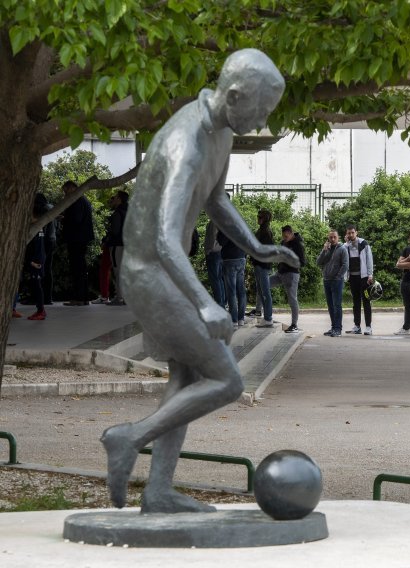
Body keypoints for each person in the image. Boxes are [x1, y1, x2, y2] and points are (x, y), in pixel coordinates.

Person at [100, 49, 300, 513]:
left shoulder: (223, 132)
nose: (264, 119)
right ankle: (126, 438)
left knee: (188, 375)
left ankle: (158, 490)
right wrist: (206, 302)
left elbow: (215, 199)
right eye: (262, 110)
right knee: (227, 380)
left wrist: (256, 247)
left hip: (163, 269)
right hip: (151, 272)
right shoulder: (186, 142)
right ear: (233, 96)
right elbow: (165, 238)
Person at [60, 180, 94, 306]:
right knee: (81, 269)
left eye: (65, 191)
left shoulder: (77, 201)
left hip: (77, 239)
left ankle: (79, 298)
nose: (65, 194)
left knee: (77, 269)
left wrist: (64, 219)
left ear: (71, 188)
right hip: (81, 238)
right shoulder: (83, 200)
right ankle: (83, 298)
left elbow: (75, 220)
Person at [271, 225, 306, 333]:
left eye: (287, 236)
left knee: (292, 299)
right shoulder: (283, 243)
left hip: (292, 274)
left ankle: (294, 324)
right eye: (283, 236)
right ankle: (266, 315)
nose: (285, 238)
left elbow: (302, 262)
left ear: (291, 234)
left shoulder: (297, 245)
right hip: (280, 273)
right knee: (264, 285)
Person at [317, 229, 349, 337]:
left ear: (338, 237)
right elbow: (319, 262)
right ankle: (333, 327)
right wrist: (324, 250)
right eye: (331, 237)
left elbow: (345, 265)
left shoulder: (342, 249)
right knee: (330, 306)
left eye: (335, 237)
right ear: (328, 238)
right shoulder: (327, 249)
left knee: (337, 305)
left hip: (337, 281)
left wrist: (338, 277)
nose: (333, 239)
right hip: (326, 280)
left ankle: (338, 329)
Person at [343, 225, 374, 335]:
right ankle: (357, 326)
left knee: (366, 301)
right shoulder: (346, 245)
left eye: (352, 232)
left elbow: (369, 259)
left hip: (364, 278)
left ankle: (368, 327)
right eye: (348, 233)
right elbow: (343, 257)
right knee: (355, 302)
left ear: (356, 232)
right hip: (353, 278)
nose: (350, 235)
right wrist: (346, 244)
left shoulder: (363, 243)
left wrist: (370, 275)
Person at [217, 225, 248, 328]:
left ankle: (234, 320)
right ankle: (241, 319)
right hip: (241, 259)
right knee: (241, 290)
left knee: (231, 291)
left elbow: (221, 241)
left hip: (230, 260)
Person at [24, 195, 48, 320]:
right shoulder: (37, 229)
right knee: (35, 284)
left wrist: (33, 262)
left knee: (36, 285)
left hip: (36, 262)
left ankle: (41, 310)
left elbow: (38, 249)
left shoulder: (37, 230)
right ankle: (40, 310)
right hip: (36, 261)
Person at [252, 209, 274, 327]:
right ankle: (266, 317)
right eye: (258, 216)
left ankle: (268, 318)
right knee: (261, 291)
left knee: (265, 291)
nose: (258, 218)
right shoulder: (262, 230)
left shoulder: (266, 232)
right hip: (259, 264)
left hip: (262, 265)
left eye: (260, 217)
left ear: (265, 219)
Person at [106, 190, 128, 306]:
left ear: (119, 199)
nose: (112, 199)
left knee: (117, 270)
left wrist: (108, 238)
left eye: (114, 197)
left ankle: (119, 297)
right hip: (128, 245)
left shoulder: (117, 213)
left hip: (117, 245)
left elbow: (115, 230)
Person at [204, 220, 226, 308]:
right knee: (219, 279)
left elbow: (212, 237)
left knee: (215, 280)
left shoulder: (214, 222)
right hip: (220, 252)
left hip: (214, 253)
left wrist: (209, 250)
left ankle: (219, 304)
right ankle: (222, 303)